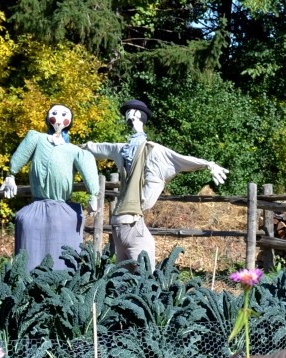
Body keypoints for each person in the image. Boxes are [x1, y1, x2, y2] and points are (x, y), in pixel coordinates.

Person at [83, 99, 228, 270]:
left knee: (122, 278)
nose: (128, 117)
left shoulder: (122, 149)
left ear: (136, 115)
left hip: (117, 223)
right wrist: (208, 164)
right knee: (147, 279)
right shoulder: (154, 151)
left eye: (128, 113)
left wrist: (69, 146)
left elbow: (92, 149)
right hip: (132, 223)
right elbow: (181, 160)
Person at [1, 104, 101, 270]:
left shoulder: (74, 150)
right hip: (38, 203)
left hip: (61, 205)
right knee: (26, 224)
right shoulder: (37, 139)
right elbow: (21, 154)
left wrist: (93, 195)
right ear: (48, 118)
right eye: (54, 113)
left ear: (69, 121)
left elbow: (88, 167)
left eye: (64, 114)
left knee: (62, 239)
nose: (59, 118)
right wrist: (11, 175)